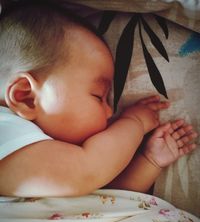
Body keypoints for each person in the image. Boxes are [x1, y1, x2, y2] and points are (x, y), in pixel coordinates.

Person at [0, 1, 198, 197]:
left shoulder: (51, 158)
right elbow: (87, 172)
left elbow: (110, 197)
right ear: (25, 96)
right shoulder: (6, 129)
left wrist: (150, 161)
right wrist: (133, 123)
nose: (110, 112)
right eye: (97, 96)